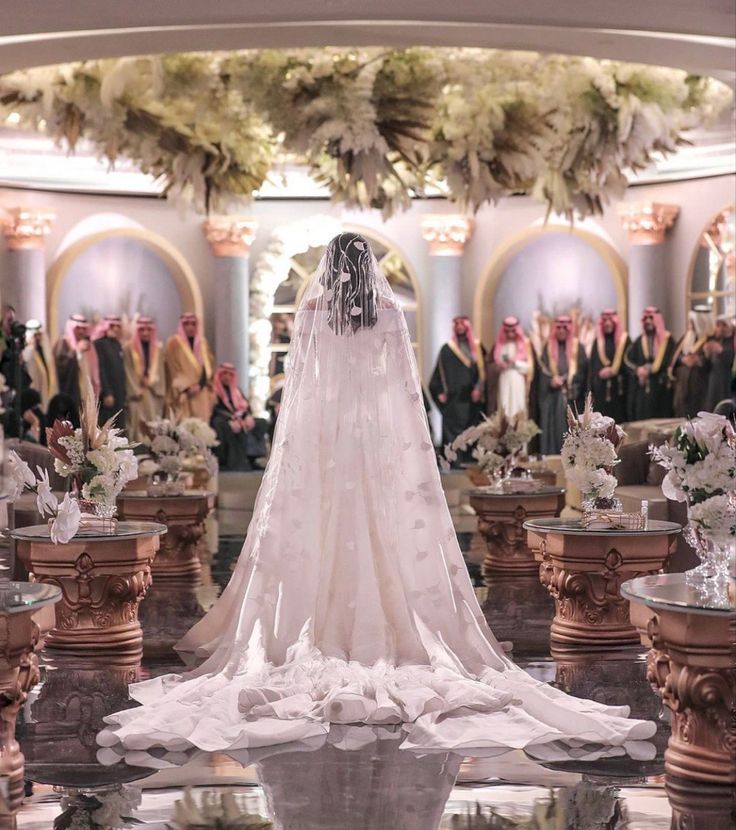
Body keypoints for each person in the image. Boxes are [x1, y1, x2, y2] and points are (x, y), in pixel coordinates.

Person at [99, 232, 654, 760]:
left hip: (326, 435)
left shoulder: (313, 314)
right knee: (377, 526)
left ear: (330, 271)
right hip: (374, 434)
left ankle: (315, 625)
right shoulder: (386, 315)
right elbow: (403, 394)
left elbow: (299, 392)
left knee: (323, 527)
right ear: (369, 271)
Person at [429, 316, 485, 452]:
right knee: (453, 434)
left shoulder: (477, 348)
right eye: (457, 325)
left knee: (473, 431)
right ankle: (454, 463)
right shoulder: (447, 349)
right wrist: (439, 391)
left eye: (462, 324)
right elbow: (437, 375)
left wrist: (479, 388)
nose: (459, 327)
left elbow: (484, 372)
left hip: (472, 401)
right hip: (454, 401)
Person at [536, 315, 587, 454]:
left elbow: (584, 372)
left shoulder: (578, 347)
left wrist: (572, 384)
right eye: (558, 327)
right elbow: (541, 373)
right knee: (555, 430)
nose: (562, 330)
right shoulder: (547, 347)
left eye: (565, 327)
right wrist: (551, 382)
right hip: (553, 398)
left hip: (573, 397)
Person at [211, 362, 268, 471]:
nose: (227, 377)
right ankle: (233, 461)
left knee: (261, 423)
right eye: (225, 374)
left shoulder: (236, 391)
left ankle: (253, 458)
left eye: (230, 374)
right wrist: (231, 420)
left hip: (240, 419)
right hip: (224, 420)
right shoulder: (213, 391)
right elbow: (215, 409)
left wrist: (247, 417)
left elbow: (245, 407)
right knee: (221, 424)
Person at [624, 307, 676, 421]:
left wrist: (653, 370)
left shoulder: (668, 340)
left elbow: (672, 362)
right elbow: (627, 361)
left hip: (661, 391)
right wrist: (638, 370)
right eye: (645, 318)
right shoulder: (638, 341)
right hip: (643, 392)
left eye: (651, 318)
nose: (648, 321)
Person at [164, 313, 215, 421]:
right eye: (186, 324)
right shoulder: (173, 342)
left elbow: (207, 367)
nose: (190, 327)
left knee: (202, 428)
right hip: (182, 393)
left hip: (201, 393)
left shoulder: (202, 342)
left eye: (193, 324)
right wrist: (186, 388)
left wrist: (200, 385)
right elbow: (172, 369)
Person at [124, 316, 166, 441]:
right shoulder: (128, 349)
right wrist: (135, 390)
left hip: (153, 394)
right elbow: (127, 371)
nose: (145, 333)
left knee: (154, 429)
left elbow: (161, 373)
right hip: (137, 396)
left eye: (148, 329)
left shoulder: (159, 349)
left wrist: (152, 383)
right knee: (136, 430)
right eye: (142, 330)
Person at [485, 316, 532, 417]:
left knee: (517, 406)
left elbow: (530, 368)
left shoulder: (525, 344)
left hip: (518, 380)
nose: (510, 334)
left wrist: (515, 363)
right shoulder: (498, 345)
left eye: (513, 331)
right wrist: (499, 366)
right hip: (503, 379)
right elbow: (490, 364)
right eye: (507, 331)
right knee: (504, 405)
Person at [588, 309, 629, 424]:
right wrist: (600, 373)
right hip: (601, 393)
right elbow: (592, 368)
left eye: (610, 320)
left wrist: (614, 371)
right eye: (604, 320)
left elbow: (629, 365)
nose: (607, 323)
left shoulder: (624, 341)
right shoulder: (598, 342)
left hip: (620, 393)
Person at [53, 314, 100, 415]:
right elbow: (62, 368)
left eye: (83, 328)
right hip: (70, 396)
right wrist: (77, 351)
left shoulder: (87, 346)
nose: (81, 331)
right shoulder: (63, 343)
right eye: (78, 328)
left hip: (85, 396)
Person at [668, 310, 711, 418]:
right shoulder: (685, 338)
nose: (690, 326)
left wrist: (698, 360)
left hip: (700, 387)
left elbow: (711, 364)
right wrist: (683, 359)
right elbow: (674, 359)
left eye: (692, 323)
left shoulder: (709, 340)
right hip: (682, 387)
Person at [94, 314, 127, 430]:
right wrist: (107, 392)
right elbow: (100, 368)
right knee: (107, 426)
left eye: (118, 326)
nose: (116, 329)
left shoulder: (117, 344)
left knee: (119, 425)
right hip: (108, 394)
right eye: (112, 326)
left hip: (119, 392)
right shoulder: (99, 344)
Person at [22, 319, 58, 411]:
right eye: (35, 335)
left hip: (46, 395)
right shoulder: (26, 352)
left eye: (39, 335)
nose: (38, 338)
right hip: (33, 399)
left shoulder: (43, 351)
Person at [703, 316, 735, 413]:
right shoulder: (716, 341)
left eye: (722, 325)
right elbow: (707, 367)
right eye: (717, 325)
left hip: (726, 384)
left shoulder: (732, 342)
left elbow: (731, 362)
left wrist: (721, 351)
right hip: (713, 384)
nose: (718, 328)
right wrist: (707, 355)